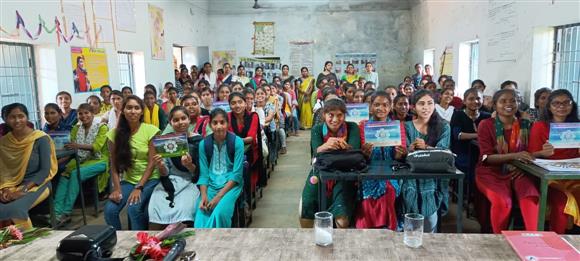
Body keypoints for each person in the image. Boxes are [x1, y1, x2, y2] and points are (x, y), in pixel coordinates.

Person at [475, 89, 539, 234]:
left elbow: (531, 153)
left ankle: (534, 239)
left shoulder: (526, 125)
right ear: (495, 105)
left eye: (513, 100)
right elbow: (487, 158)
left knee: (530, 197)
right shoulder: (486, 125)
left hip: (519, 170)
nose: (508, 104)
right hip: (490, 172)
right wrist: (515, 156)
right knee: (503, 202)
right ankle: (500, 240)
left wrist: (522, 165)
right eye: (503, 101)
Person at [300, 98, 360, 229]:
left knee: (342, 217)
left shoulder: (353, 127)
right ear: (324, 115)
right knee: (308, 201)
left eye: (340, 115)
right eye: (330, 115)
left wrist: (331, 147)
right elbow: (316, 153)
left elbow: (355, 151)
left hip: (345, 172)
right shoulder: (317, 129)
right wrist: (326, 145)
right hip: (320, 170)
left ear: (345, 115)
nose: (335, 119)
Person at [104, 95, 160, 230]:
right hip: (128, 181)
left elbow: (152, 163)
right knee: (110, 210)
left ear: (141, 111)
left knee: (133, 209)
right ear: (123, 110)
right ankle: (116, 240)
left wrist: (139, 187)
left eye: (136, 108)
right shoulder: (113, 134)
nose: (133, 111)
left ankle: (139, 244)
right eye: (129, 108)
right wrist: (117, 189)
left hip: (150, 179)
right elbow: (114, 165)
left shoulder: (150, 130)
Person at [528, 89, 579, 234]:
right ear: (549, 107)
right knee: (562, 202)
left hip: (575, 176)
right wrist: (542, 153)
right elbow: (531, 155)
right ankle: (556, 241)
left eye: (566, 103)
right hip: (549, 178)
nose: (561, 106)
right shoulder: (540, 126)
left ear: (572, 105)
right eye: (556, 103)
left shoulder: (578, 126)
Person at [0, 103, 57, 229]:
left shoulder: (40, 139)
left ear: (27, 117)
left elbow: (44, 171)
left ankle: (29, 244)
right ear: (6, 120)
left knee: (16, 209)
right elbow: (3, 171)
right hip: (10, 186)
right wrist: (5, 190)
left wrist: (23, 190)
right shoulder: (4, 142)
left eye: (21, 116)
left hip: (38, 184)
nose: (17, 120)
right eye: (12, 117)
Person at [355, 91, 406, 229]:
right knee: (366, 198)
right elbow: (358, 157)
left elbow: (400, 157)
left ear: (390, 107)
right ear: (371, 107)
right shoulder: (363, 126)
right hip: (368, 171)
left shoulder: (397, 126)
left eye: (385, 105)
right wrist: (365, 154)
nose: (381, 108)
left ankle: (387, 229)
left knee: (388, 191)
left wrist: (399, 154)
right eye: (376, 104)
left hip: (391, 173)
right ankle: (368, 230)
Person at [402, 90, 451, 232]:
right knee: (410, 218)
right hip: (411, 174)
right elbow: (402, 151)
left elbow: (443, 152)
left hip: (433, 175)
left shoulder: (443, 127)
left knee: (430, 221)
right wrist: (409, 149)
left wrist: (426, 147)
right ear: (413, 107)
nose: (426, 107)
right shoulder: (406, 126)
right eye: (421, 104)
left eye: (430, 103)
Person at [53, 104, 109, 225]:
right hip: (80, 159)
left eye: (86, 113)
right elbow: (70, 148)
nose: (84, 116)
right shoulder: (75, 128)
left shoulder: (102, 127)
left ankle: (66, 212)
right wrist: (57, 162)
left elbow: (96, 147)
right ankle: (56, 213)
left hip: (99, 160)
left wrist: (77, 146)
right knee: (64, 175)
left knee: (75, 174)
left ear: (92, 114)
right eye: (80, 114)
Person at [148, 107, 201, 229]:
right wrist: (161, 166)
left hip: (191, 182)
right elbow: (165, 172)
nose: (180, 122)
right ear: (170, 123)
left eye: (183, 118)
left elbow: (201, 172)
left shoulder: (198, 141)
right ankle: (157, 240)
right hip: (170, 181)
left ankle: (182, 236)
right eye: (176, 120)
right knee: (156, 203)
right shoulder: (165, 141)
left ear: (189, 120)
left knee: (185, 208)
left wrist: (189, 165)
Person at [194, 108, 244, 228]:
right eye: (215, 123)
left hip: (231, 185)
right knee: (201, 211)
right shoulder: (204, 144)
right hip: (210, 185)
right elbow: (204, 174)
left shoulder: (237, 142)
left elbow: (237, 174)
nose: (219, 126)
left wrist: (218, 197)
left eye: (222, 122)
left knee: (219, 213)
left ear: (228, 124)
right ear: (210, 125)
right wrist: (204, 196)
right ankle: (201, 243)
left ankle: (215, 243)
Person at [450, 88, 491, 174]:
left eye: (478, 99)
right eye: (471, 99)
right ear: (464, 101)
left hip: (481, 154)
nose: (475, 101)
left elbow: (490, 135)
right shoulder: (458, 114)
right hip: (462, 154)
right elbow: (458, 135)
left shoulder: (487, 116)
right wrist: (479, 135)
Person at [228, 93, 263, 191]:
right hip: (232, 149)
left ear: (245, 103)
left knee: (243, 164)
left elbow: (250, 138)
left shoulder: (253, 116)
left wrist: (234, 140)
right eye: (233, 103)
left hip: (250, 150)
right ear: (229, 105)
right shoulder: (227, 117)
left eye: (240, 102)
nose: (237, 105)